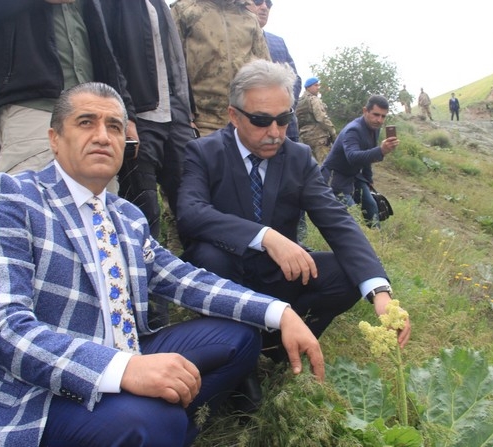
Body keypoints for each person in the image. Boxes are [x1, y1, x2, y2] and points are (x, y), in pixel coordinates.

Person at [0, 82, 324, 447]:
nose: (103, 136)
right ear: (55, 139)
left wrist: (278, 311)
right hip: (37, 390)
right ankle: (150, 423)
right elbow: (2, 327)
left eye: (114, 126)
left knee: (240, 338)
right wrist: (122, 370)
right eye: (86, 122)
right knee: (152, 422)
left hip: (127, 355)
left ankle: (149, 421)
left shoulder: (126, 216)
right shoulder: (10, 198)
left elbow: (184, 280)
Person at [176, 60, 411, 394]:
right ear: (234, 115)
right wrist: (265, 236)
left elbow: (337, 220)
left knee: (346, 274)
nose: (275, 132)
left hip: (278, 275)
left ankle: (274, 347)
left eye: (284, 119)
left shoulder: (298, 157)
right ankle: (235, 358)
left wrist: (380, 292)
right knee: (208, 255)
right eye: (261, 121)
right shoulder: (204, 152)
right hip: (226, 277)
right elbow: (190, 212)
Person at [0, 0, 139, 177]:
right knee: (29, 210)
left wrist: (125, 113)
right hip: (32, 107)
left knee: (96, 215)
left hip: (97, 114)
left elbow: (106, 48)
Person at [101, 0, 194, 245]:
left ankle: (195, 275)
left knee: (191, 205)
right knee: (143, 212)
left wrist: (187, 112)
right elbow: (108, 56)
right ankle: (143, 279)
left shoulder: (159, 5)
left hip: (174, 115)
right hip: (138, 116)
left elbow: (174, 62)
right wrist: (126, 115)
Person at [171, 0, 271, 137]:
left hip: (245, 124)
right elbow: (171, 67)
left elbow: (266, 71)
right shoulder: (185, 10)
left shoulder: (249, 18)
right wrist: (184, 117)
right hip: (200, 124)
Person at [321, 95, 399, 228]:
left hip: (354, 175)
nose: (379, 120)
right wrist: (381, 151)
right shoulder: (353, 130)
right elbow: (352, 156)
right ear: (365, 111)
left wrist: (368, 179)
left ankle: (376, 243)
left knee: (372, 207)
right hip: (335, 176)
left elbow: (367, 154)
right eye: (375, 114)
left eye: (383, 116)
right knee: (351, 216)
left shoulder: (374, 128)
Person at [254, 0, 302, 142]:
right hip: (251, 127)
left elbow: (295, 80)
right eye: (258, 2)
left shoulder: (278, 42)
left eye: (268, 4)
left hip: (285, 128)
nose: (264, 7)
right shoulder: (230, 40)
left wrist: (281, 111)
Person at [296, 77, 337, 163]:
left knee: (312, 168)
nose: (318, 87)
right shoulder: (314, 99)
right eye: (315, 85)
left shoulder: (299, 102)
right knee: (326, 166)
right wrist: (333, 132)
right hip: (319, 139)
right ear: (308, 87)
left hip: (304, 139)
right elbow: (321, 118)